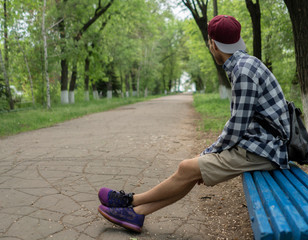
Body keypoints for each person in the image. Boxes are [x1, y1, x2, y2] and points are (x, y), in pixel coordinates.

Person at [97, 15, 290, 233]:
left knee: (186, 167)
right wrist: (207, 156)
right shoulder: (246, 63)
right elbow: (243, 123)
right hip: (263, 145)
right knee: (190, 171)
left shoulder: (242, 71)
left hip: (264, 150)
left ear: (213, 44)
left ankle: (128, 201)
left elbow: (237, 125)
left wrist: (207, 153)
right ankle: (136, 214)